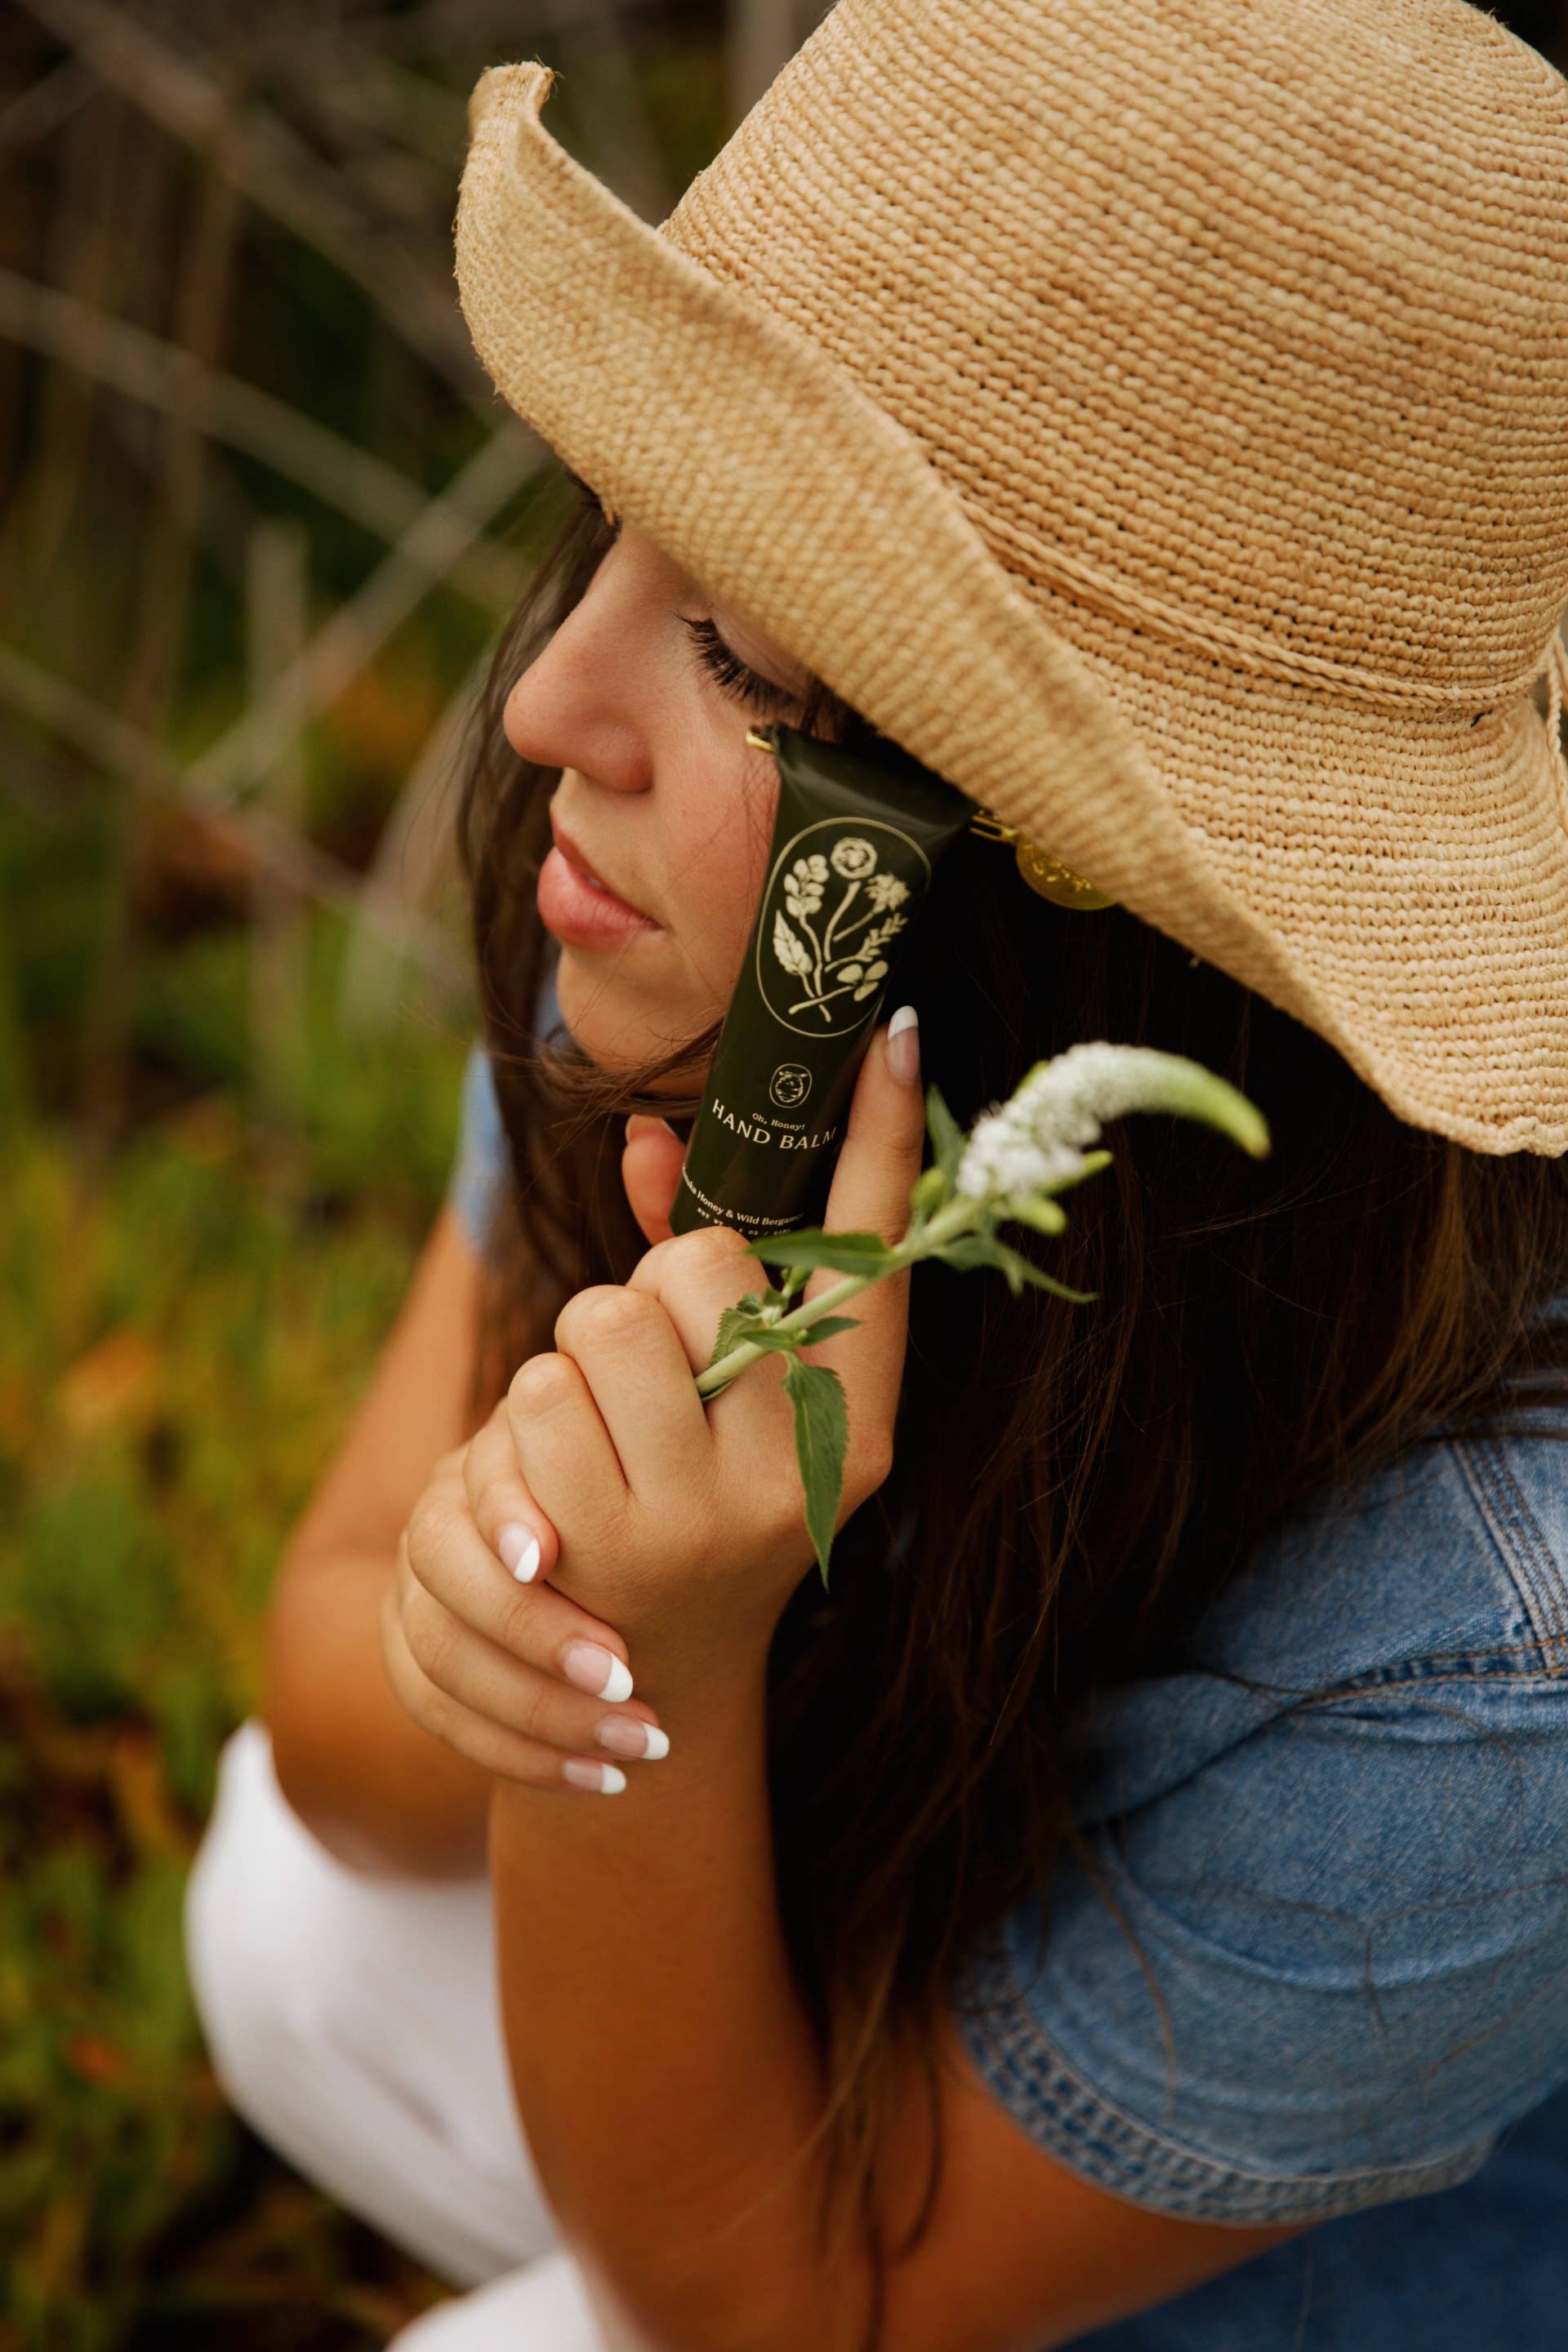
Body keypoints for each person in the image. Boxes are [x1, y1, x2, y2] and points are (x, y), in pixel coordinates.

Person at [183, 0, 1568, 2345]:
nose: (546, 709)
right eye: (611, 523)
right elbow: (337, 1726)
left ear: (1090, 911)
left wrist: (657, 1658)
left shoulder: (1496, 1645)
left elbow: (773, 2309)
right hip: (844, 2032)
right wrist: (548, 1613)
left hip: (1247, 2278)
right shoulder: (713, 969)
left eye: (740, 649)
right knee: (294, 1926)